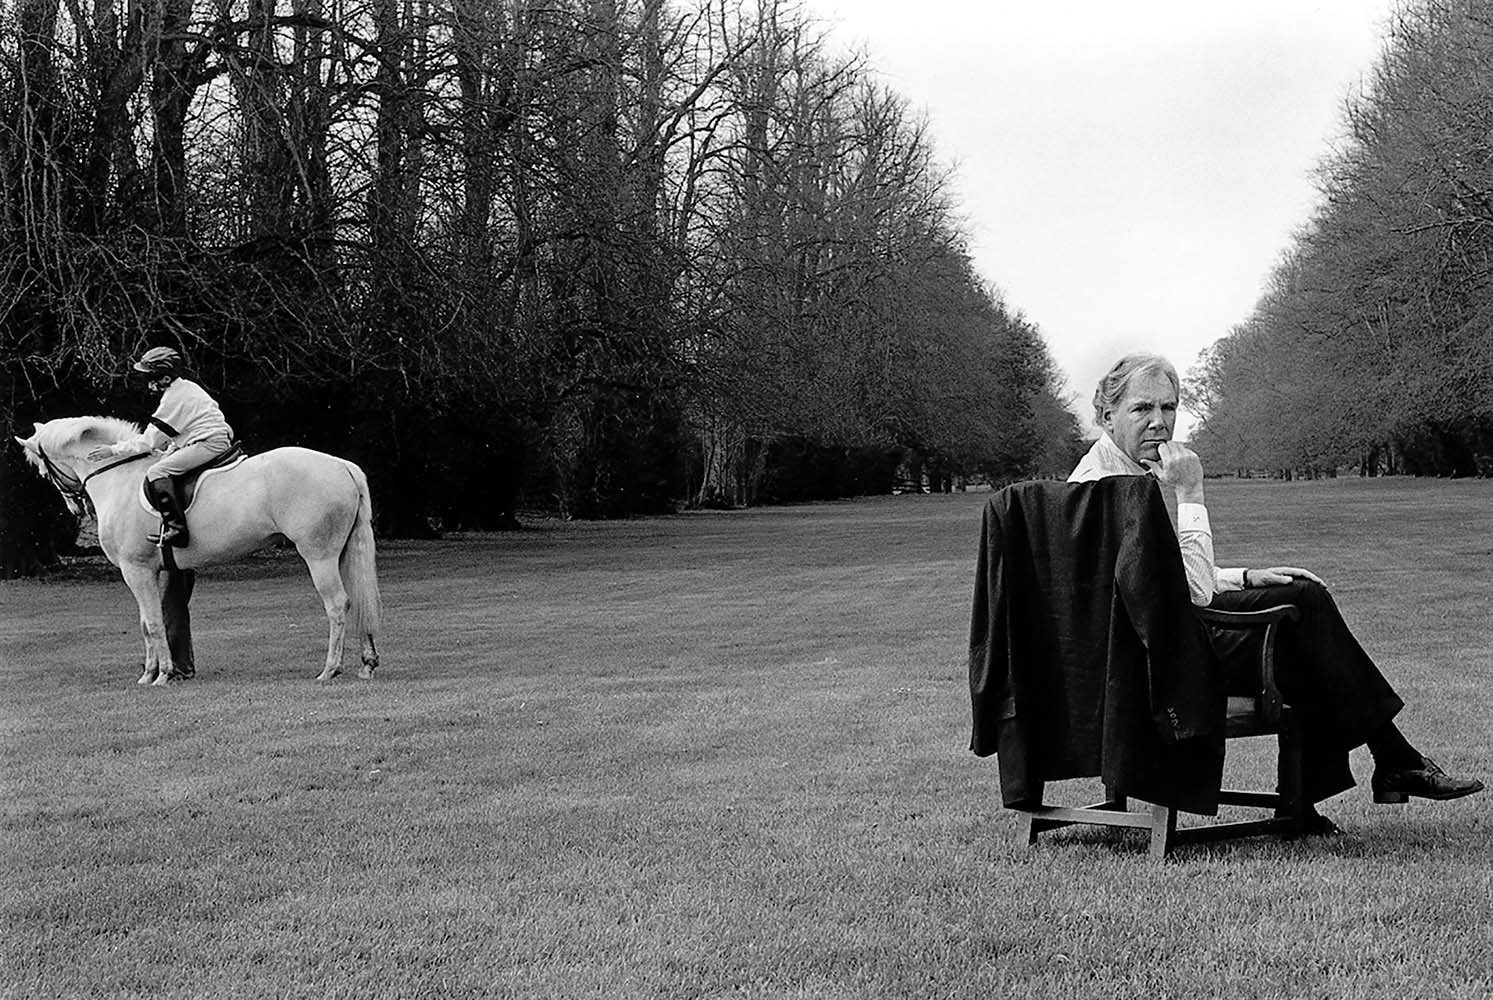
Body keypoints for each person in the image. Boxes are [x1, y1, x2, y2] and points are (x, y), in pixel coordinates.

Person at [1070, 352, 1482, 823]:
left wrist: (1246, 577)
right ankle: (1379, 767)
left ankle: (1372, 771)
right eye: (1143, 409)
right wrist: (1190, 493)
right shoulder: (1109, 490)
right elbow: (1198, 595)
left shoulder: (1097, 479)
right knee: (1302, 616)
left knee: (1298, 610)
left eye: (1169, 408)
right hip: (1150, 667)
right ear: (1107, 415)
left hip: (1138, 649)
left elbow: (1161, 578)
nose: (1160, 423)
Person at [88, 346, 235, 547]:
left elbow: (150, 440)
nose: (148, 384)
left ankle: (177, 530)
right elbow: (179, 432)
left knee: (157, 471)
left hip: (208, 443)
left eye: (151, 378)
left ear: (166, 379)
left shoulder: (173, 398)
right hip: (209, 438)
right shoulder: (187, 387)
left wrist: (113, 450)